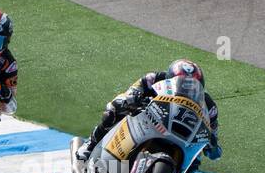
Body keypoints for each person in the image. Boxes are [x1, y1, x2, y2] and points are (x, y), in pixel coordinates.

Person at [76, 59, 222, 163]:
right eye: (183, 82)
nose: (187, 87)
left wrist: (213, 145)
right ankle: (91, 144)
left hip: (182, 133)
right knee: (114, 109)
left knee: (194, 163)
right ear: (169, 77)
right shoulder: (154, 78)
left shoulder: (209, 105)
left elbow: (212, 130)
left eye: (192, 85)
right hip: (147, 119)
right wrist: (131, 99)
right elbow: (133, 90)